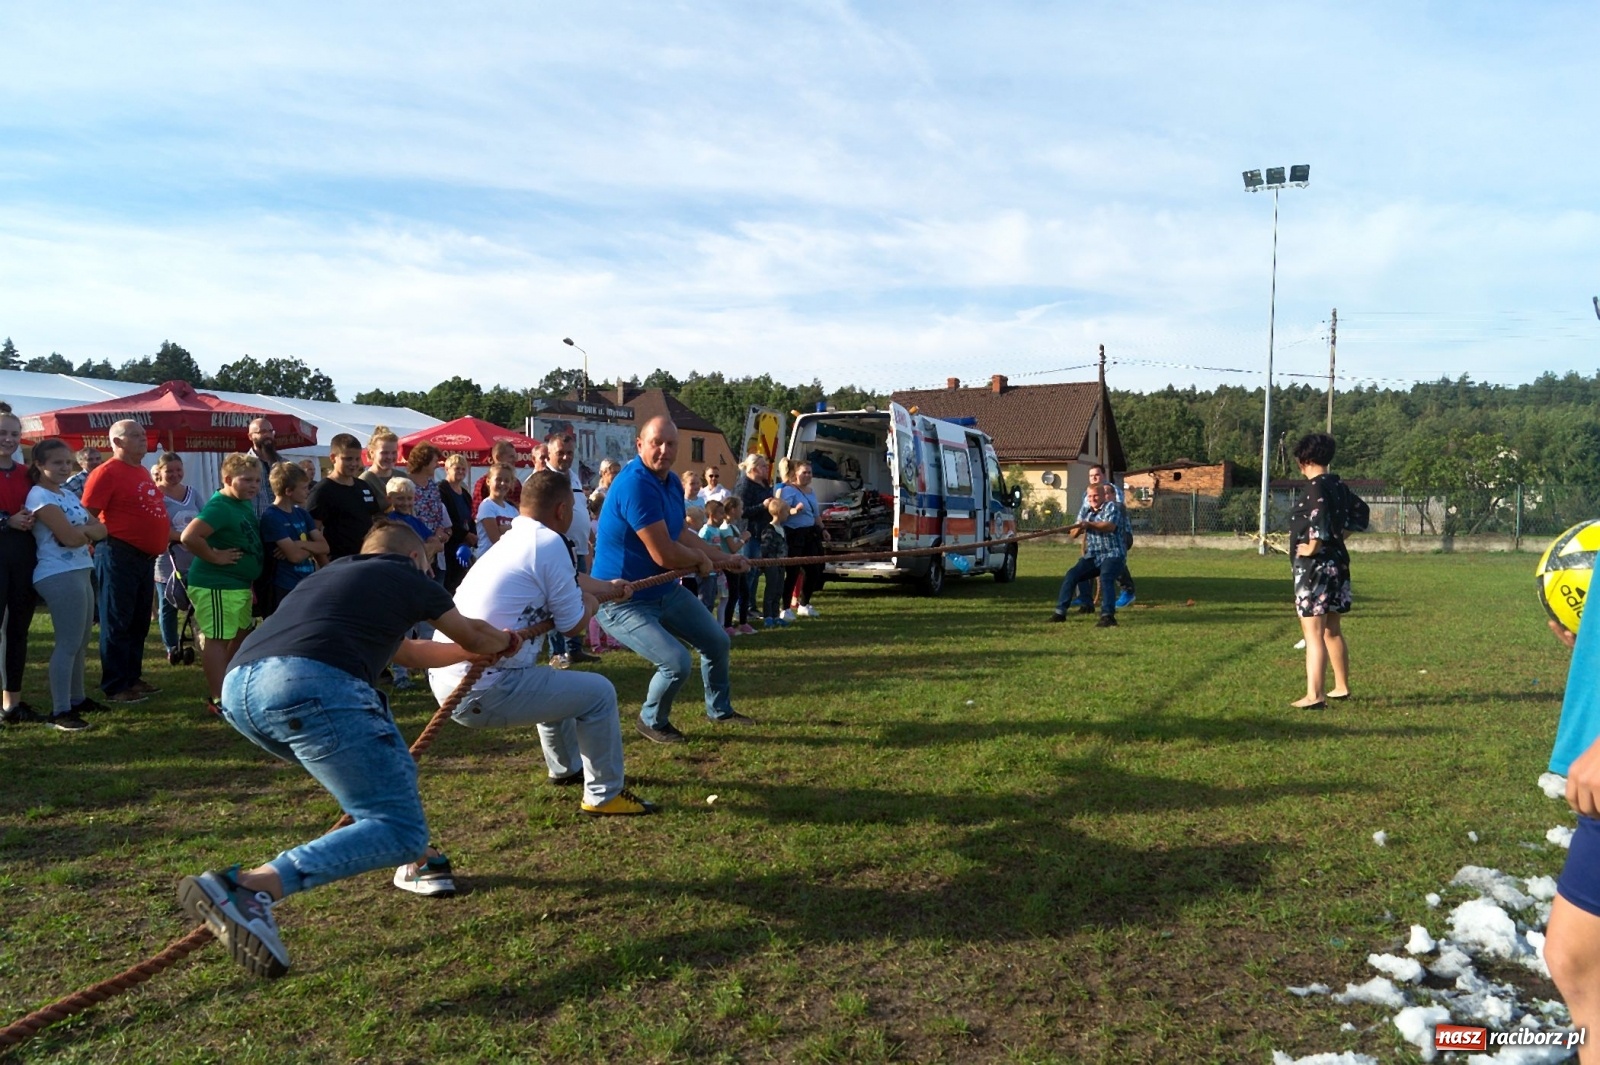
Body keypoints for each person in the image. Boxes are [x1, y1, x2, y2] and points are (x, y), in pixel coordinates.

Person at [177, 520, 519, 979]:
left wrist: (467, 655)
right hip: (313, 684)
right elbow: (473, 634)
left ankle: (418, 864)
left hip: (241, 692)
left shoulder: (333, 576)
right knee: (399, 828)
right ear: (416, 557)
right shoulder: (410, 577)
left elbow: (409, 652)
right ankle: (248, 888)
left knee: (384, 777)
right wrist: (503, 642)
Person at [431, 469, 653, 815]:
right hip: (479, 687)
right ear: (562, 510)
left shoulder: (518, 538)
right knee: (599, 693)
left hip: (453, 679)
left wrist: (606, 585)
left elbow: (569, 578)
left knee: (557, 685)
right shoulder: (548, 543)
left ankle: (565, 770)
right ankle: (604, 794)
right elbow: (571, 626)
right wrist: (593, 604)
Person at [591, 416, 751, 744]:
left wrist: (725, 559)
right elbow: (663, 554)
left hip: (663, 591)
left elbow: (680, 533)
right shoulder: (634, 484)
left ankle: (720, 711)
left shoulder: (672, 483)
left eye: (671, 444)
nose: (664, 450)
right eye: (656, 443)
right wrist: (702, 561)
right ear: (639, 445)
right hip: (622, 600)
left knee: (717, 642)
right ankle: (651, 720)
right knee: (676, 662)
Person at [81, 419, 169, 704]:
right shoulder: (106, 472)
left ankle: (132, 677)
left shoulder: (142, 470)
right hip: (118, 553)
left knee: (138, 621)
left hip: (143, 557)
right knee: (118, 620)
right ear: (117, 442)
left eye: (144, 434)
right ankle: (116, 684)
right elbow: (87, 513)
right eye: (135, 435)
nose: (143, 439)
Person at [25, 437, 109, 730]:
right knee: (68, 643)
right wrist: (85, 531)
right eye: (56, 463)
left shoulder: (67, 494)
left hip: (80, 568)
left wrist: (82, 530)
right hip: (57, 573)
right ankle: (60, 711)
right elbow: (72, 537)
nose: (64, 468)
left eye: (67, 462)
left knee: (81, 641)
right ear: (39, 465)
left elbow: (101, 528)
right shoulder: (39, 497)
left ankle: (77, 698)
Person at [181, 454, 266, 713]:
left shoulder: (241, 504)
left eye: (257, 481)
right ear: (228, 479)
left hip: (237, 584)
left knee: (240, 634)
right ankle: (219, 698)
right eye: (246, 480)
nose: (253, 486)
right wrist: (214, 556)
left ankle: (229, 684)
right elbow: (189, 536)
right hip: (217, 584)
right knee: (218, 638)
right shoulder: (220, 506)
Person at [1287, 432, 1353, 709]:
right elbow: (1360, 512)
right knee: (1332, 630)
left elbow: (1319, 519)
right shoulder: (1338, 485)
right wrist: (1339, 538)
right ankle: (1341, 687)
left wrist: (1313, 546)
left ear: (1304, 460)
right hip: (1337, 565)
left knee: (1312, 633)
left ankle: (1315, 695)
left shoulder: (1315, 487)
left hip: (1315, 569)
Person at [544, 430, 598, 666]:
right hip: (557, 551)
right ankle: (557, 653)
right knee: (556, 602)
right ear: (548, 453)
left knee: (577, 598)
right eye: (560, 453)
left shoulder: (573, 476)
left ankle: (574, 648)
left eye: (569, 453)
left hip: (579, 548)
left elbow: (579, 509)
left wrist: (589, 533)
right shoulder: (543, 479)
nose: (566, 458)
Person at [0, 404, 39, 724]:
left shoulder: (27, 473)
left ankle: (12, 703)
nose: (9, 439)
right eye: (2, 433)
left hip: (24, 558)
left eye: (14, 434)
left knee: (18, 632)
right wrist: (5, 520)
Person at [1048, 482, 1127, 628]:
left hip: (1113, 554)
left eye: (1096, 495)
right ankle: (1060, 613)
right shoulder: (1085, 510)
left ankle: (1107, 616)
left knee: (1106, 577)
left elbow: (1110, 526)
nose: (1093, 499)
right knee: (1072, 575)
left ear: (1103, 495)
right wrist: (1078, 528)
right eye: (1090, 496)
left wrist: (1089, 524)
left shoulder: (1112, 507)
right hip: (1093, 556)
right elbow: (1073, 535)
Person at [258, 462, 328, 616]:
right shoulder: (272, 516)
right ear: (289, 491)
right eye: (304, 488)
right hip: (283, 586)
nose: (307, 492)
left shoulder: (302, 513)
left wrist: (299, 543)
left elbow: (324, 547)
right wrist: (309, 547)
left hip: (305, 583)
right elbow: (294, 557)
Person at [153, 453, 201, 664]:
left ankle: (198, 638)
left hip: (195, 556)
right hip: (168, 557)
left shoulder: (192, 493)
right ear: (160, 472)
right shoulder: (156, 495)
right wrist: (184, 537)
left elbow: (205, 516)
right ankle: (171, 645)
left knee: (195, 601)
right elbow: (159, 526)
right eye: (169, 471)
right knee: (168, 603)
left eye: (178, 470)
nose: (174, 474)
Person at [308, 433, 383, 560]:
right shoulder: (322, 490)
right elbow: (312, 533)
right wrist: (325, 568)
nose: (354, 463)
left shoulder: (363, 486)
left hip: (366, 559)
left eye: (357, 459)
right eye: (348, 459)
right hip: (338, 562)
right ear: (333, 458)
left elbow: (375, 520)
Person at [1071, 465, 1136, 610]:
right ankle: (1084, 596)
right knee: (1088, 560)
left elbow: (1117, 510)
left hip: (1119, 533)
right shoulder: (1088, 494)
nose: (1094, 478)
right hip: (1095, 535)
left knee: (1114, 558)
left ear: (1104, 475)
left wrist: (1094, 523)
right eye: (1091, 476)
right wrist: (1079, 526)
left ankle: (1127, 590)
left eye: (1097, 475)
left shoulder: (1111, 490)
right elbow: (1084, 513)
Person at [777, 460, 825, 620]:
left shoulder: (811, 491)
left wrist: (823, 529)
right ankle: (785, 608)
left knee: (814, 570)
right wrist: (794, 510)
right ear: (795, 473)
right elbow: (782, 511)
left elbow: (816, 514)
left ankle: (804, 604)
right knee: (793, 571)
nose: (808, 475)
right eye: (804, 472)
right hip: (794, 534)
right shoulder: (788, 490)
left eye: (810, 472)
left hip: (810, 533)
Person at [733, 454, 774, 634]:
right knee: (746, 571)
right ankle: (740, 608)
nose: (766, 469)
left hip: (762, 531)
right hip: (748, 532)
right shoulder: (744, 486)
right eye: (763, 466)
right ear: (754, 468)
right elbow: (741, 512)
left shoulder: (764, 484)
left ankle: (750, 605)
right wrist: (763, 506)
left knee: (755, 571)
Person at [438, 454, 475, 593]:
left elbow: (471, 517)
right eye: (457, 468)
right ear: (447, 469)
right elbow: (447, 519)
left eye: (463, 469)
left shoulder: (464, 493)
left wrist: (472, 535)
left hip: (464, 545)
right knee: (450, 585)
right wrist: (465, 535)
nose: (460, 471)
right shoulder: (442, 489)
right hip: (449, 544)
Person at [720, 496, 756, 635]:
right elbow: (733, 548)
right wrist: (744, 538)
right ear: (733, 510)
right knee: (733, 595)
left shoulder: (733, 527)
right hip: (730, 568)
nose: (742, 511)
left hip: (738, 566)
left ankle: (743, 622)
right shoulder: (725, 528)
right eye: (741, 508)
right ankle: (728, 625)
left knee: (745, 593)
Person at [759, 495, 791, 629]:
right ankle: (768, 616)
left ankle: (776, 615)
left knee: (779, 589)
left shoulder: (782, 529)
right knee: (771, 590)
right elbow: (765, 548)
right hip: (771, 564)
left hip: (781, 565)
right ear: (779, 513)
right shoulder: (769, 530)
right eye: (786, 512)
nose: (788, 514)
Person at [475, 465, 519, 559]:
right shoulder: (487, 506)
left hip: (507, 560)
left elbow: (520, 535)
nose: (502, 483)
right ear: (488, 481)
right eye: (498, 479)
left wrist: (503, 528)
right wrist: (511, 529)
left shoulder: (513, 510)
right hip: (488, 560)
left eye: (507, 481)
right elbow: (496, 539)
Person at [246, 418, 284, 519]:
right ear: (250, 436)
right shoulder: (244, 465)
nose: (268, 435)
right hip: (256, 525)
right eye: (262, 432)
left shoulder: (284, 464)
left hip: (282, 525)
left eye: (271, 431)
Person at [473, 440, 524, 511]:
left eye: (515, 457)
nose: (515, 460)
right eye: (511, 457)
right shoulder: (482, 483)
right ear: (498, 457)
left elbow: (520, 508)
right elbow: (476, 513)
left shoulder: (516, 483)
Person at [360, 426, 400, 499]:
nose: (390, 457)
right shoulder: (365, 481)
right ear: (372, 453)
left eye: (394, 452)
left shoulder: (402, 477)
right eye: (384, 453)